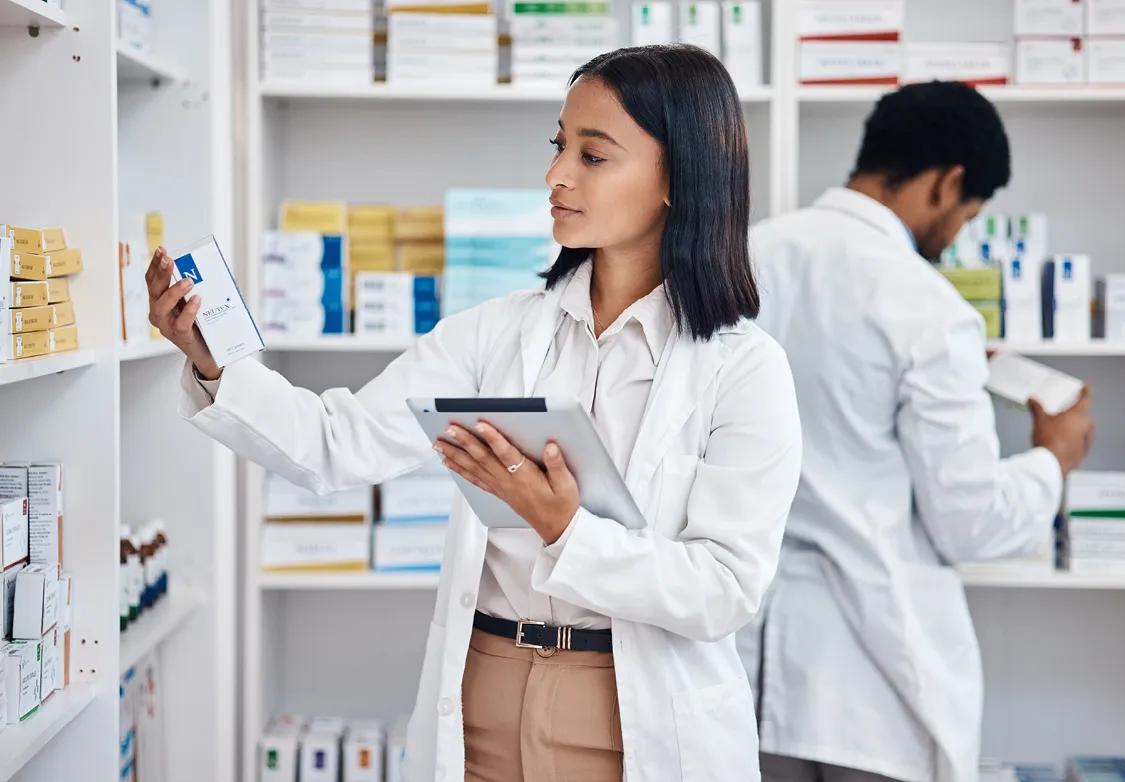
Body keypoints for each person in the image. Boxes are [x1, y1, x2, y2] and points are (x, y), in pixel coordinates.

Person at [149, 45, 801, 782]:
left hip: (635, 711)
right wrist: (215, 363)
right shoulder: (498, 332)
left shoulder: (744, 369)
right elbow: (336, 445)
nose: (556, 174)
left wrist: (565, 528)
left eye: (593, 156)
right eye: (559, 145)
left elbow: (724, 588)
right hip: (484, 695)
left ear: (678, 179)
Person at [742, 81, 1095, 782]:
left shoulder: (740, 258)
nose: (956, 234)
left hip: (738, 659)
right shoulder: (930, 310)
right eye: (967, 216)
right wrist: (1054, 459)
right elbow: (968, 522)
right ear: (948, 184)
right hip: (866, 685)